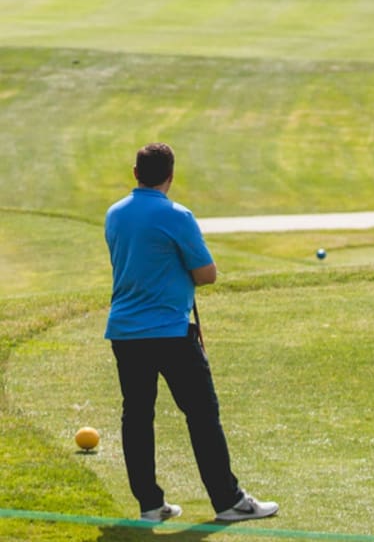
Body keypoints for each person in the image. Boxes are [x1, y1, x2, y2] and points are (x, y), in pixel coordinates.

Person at [105, 143, 279, 525]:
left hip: (125, 332)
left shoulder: (114, 214)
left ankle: (150, 505)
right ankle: (228, 501)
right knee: (202, 415)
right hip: (169, 332)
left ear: (135, 172)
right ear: (171, 175)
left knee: (137, 417)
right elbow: (206, 273)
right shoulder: (177, 216)